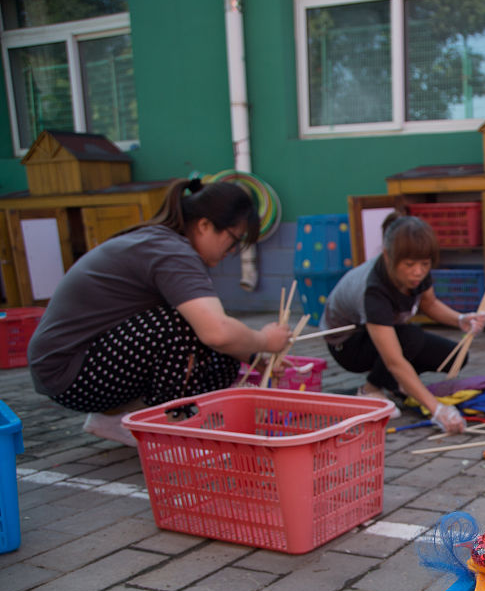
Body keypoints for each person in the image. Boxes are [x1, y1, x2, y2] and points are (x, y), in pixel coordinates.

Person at [28, 178, 291, 446]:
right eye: (234, 240)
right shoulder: (171, 252)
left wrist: (254, 356)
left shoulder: (165, 244)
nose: (233, 251)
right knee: (182, 329)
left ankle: (114, 419)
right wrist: (265, 341)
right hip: (68, 371)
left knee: (223, 355)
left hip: (85, 364)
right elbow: (216, 331)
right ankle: (167, 433)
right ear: (204, 226)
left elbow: (221, 335)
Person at [319, 213, 485, 434]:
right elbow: (394, 360)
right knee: (409, 338)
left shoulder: (417, 273)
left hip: (385, 334)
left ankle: (396, 385)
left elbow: (430, 303)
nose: (418, 271)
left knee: (456, 356)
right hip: (347, 344)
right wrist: (437, 409)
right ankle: (370, 389)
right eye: (409, 264)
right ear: (388, 256)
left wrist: (460, 319)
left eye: (424, 264)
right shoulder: (373, 290)